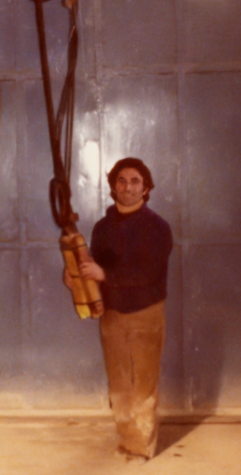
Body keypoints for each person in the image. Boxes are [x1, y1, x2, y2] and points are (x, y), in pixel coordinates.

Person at [66, 157, 173, 462]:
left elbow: (148, 273)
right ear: (113, 186)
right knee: (119, 383)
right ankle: (128, 441)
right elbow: (95, 269)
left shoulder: (158, 227)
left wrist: (104, 275)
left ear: (146, 188)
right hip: (112, 315)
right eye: (122, 181)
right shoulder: (102, 228)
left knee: (143, 383)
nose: (128, 187)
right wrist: (76, 278)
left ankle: (141, 447)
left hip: (145, 314)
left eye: (135, 181)